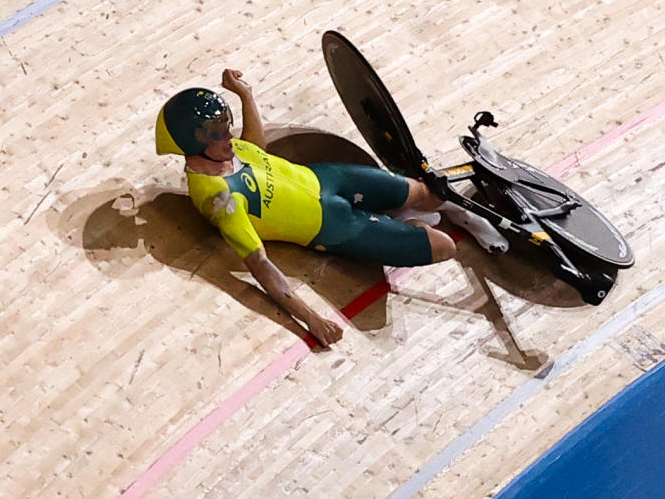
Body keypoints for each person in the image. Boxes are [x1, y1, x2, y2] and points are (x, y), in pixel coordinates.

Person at [155, 69, 508, 346]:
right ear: (191, 144)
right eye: (218, 134)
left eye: (226, 127)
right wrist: (311, 319)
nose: (228, 137)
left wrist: (245, 95)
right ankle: (406, 220)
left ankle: (450, 213)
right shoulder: (221, 200)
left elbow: (256, 148)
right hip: (334, 227)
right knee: (443, 247)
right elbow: (260, 265)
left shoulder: (228, 149)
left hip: (329, 180)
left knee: (432, 193)